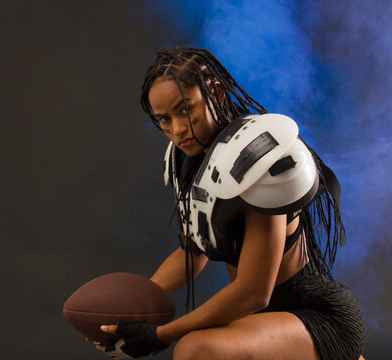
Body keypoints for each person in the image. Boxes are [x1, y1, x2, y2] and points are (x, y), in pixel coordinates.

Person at [94, 46, 365, 360]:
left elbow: (253, 292)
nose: (177, 129)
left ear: (216, 93)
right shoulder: (189, 160)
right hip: (260, 321)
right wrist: (135, 304)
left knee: (194, 350)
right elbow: (193, 251)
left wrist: (158, 336)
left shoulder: (258, 157)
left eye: (186, 109)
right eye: (164, 120)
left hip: (314, 316)